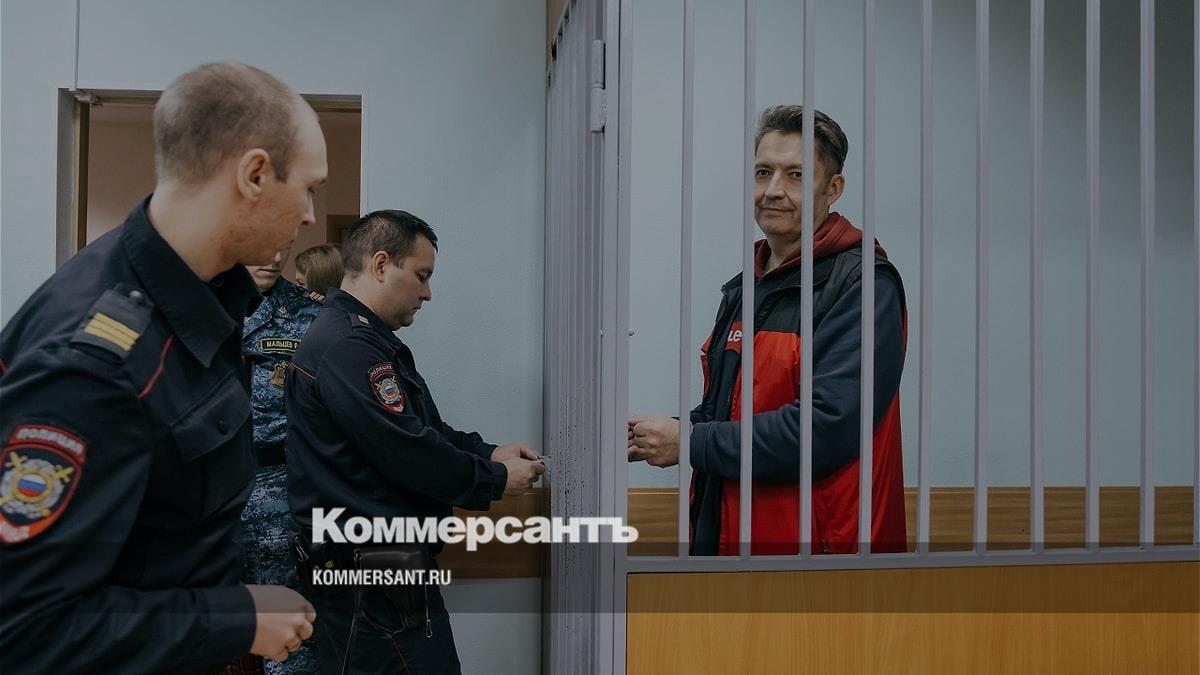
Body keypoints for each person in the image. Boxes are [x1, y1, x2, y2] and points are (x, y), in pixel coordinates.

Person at [0, 62, 327, 673]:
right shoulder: (95, 363)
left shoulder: (203, 298)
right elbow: (25, 631)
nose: (310, 214)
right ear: (255, 175)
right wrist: (234, 619)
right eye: (308, 187)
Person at [627, 105, 908, 556]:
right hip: (731, 539)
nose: (773, 190)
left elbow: (826, 430)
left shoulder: (862, 286)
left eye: (795, 175)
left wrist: (691, 443)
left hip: (823, 558)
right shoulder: (746, 287)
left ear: (833, 188)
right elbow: (727, 413)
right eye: (763, 173)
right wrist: (664, 433)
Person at [286, 209, 545, 673]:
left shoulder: (360, 339)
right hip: (374, 582)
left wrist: (488, 452)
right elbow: (407, 451)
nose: (427, 293)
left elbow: (420, 430)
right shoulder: (349, 347)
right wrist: (494, 479)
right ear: (381, 264)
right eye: (422, 276)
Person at [240, 246, 325, 674]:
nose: (273, 256)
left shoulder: (312, 316)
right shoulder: (185, 305)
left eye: (284, 243)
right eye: (261, 242)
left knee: (289, 645)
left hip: (277, 499)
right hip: (194, 503)